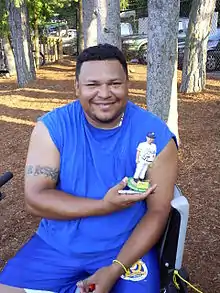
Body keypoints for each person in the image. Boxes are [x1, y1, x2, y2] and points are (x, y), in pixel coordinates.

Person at [0, 43, 178, 293]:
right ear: (77, 87)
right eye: (92, 84)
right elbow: (35, 200)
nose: (104, 93)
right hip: (55, 246)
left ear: (128, 84)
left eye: (114, 83)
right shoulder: (52, 128)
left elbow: (157, 212)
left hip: (124, 249)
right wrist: (104, 206)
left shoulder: (157, 137)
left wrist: (115, 268)